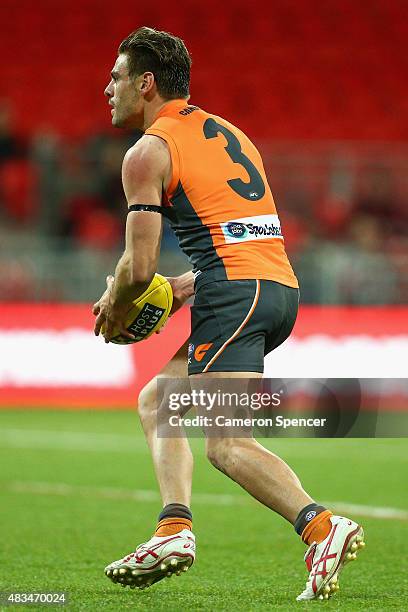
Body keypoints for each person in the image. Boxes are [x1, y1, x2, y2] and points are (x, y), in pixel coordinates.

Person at [92, 27, 365, 601]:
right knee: (158, 402)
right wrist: (186, 287)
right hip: (276, 287)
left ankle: (322, 527)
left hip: (236, 295)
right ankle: (174, 528)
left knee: (227, 444)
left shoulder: (147, 153)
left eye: (116, 77)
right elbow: (236, 237)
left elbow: (137, 271)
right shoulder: (227, 132)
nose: (107, 88)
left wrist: (117, 309)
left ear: (145, 84)